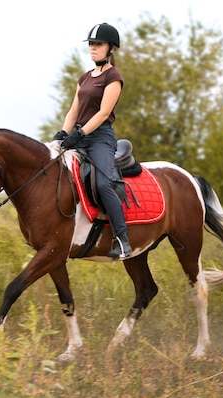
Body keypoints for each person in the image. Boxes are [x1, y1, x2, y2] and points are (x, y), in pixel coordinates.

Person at [53, 22, 132, 260]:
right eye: (91, 44)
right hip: (79, 135)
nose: (93, 48)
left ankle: (122, 239)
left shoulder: (113, 76)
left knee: (102, 184)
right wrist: (62, 135)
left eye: (98, 44)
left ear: (112, 49)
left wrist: (80, 134)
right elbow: (73, 111)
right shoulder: (84, 78)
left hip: (100, 138)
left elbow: (103, 113)